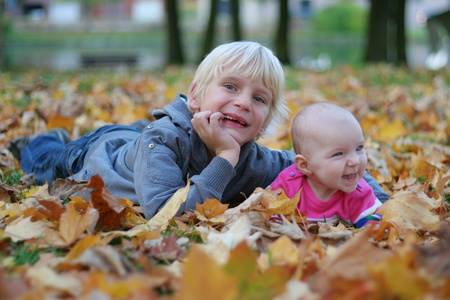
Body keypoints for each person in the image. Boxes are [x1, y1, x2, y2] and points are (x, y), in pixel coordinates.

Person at [7, 41, 389, 220]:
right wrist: (225, 158)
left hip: (140, 138)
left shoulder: (255, 157)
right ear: (194, 96)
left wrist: (383, 202)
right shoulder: (165, 140)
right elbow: (165, 212)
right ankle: (41, 139)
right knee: (45, 159)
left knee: (141, 135)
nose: (242, 102)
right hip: (97, 156)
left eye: (259, 99)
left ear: (265, 119)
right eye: (230, 87)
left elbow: (322, 164)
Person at [269, 102, 383, 228]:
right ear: (305, 165)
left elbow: (376, 219)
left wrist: (369, 228)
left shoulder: (359, 192)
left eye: (359, 148)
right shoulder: (288, 185)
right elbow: (268, 210)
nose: (355, 161)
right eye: (339, 153)